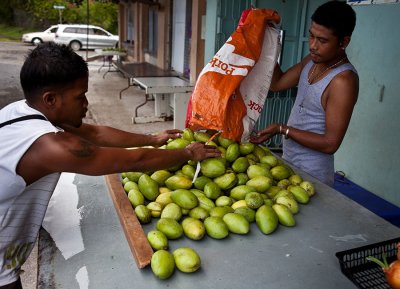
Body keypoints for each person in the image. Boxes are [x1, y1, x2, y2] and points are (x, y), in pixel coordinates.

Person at [0, 42, 220, 288]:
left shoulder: (18, 111)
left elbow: (97, 134)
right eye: (79, 96)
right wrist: (189, 153)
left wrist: (153, 139)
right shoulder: (51, 146)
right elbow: (138, 161)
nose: (85, 103)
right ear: (50, 99)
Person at [251, 0, 358, 186]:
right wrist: (268, 44)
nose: (313, 46)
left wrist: (282, 129)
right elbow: (276, 84)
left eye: (322, 40)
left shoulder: (343, 81)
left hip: (314, 174)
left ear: (344, 41)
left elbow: (330, 143)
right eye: (311, 36)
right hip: (289, 162)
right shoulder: (311, 61)